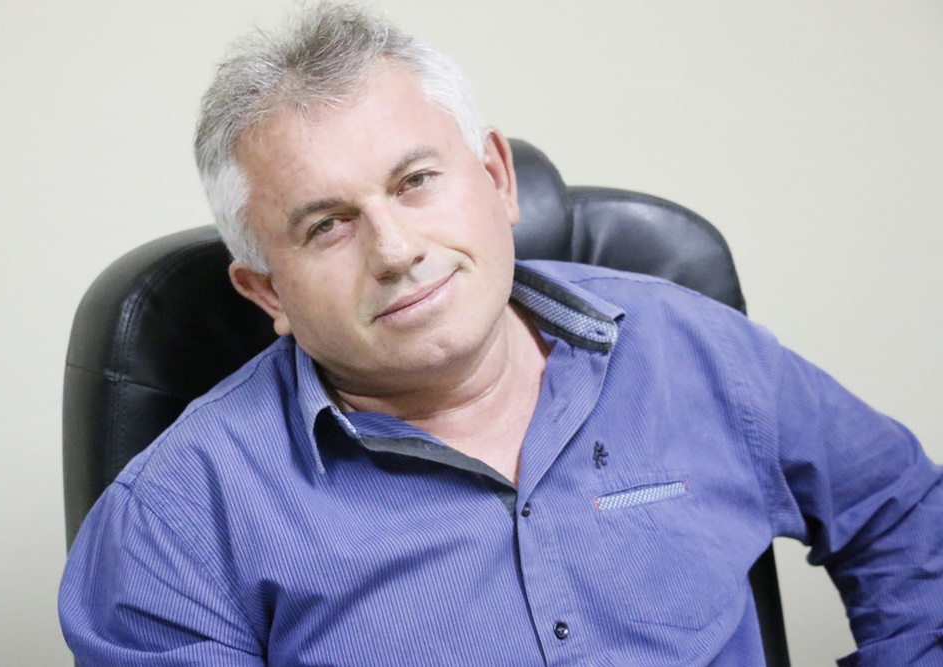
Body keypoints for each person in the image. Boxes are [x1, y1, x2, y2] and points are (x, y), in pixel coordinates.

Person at [59, 4, 943, 665]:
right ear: (266, 291)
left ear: (496, 178)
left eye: (415, 181)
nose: (397, 251)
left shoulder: (690, 349)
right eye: (327, 225)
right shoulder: (175, 522)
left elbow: (903, 507)